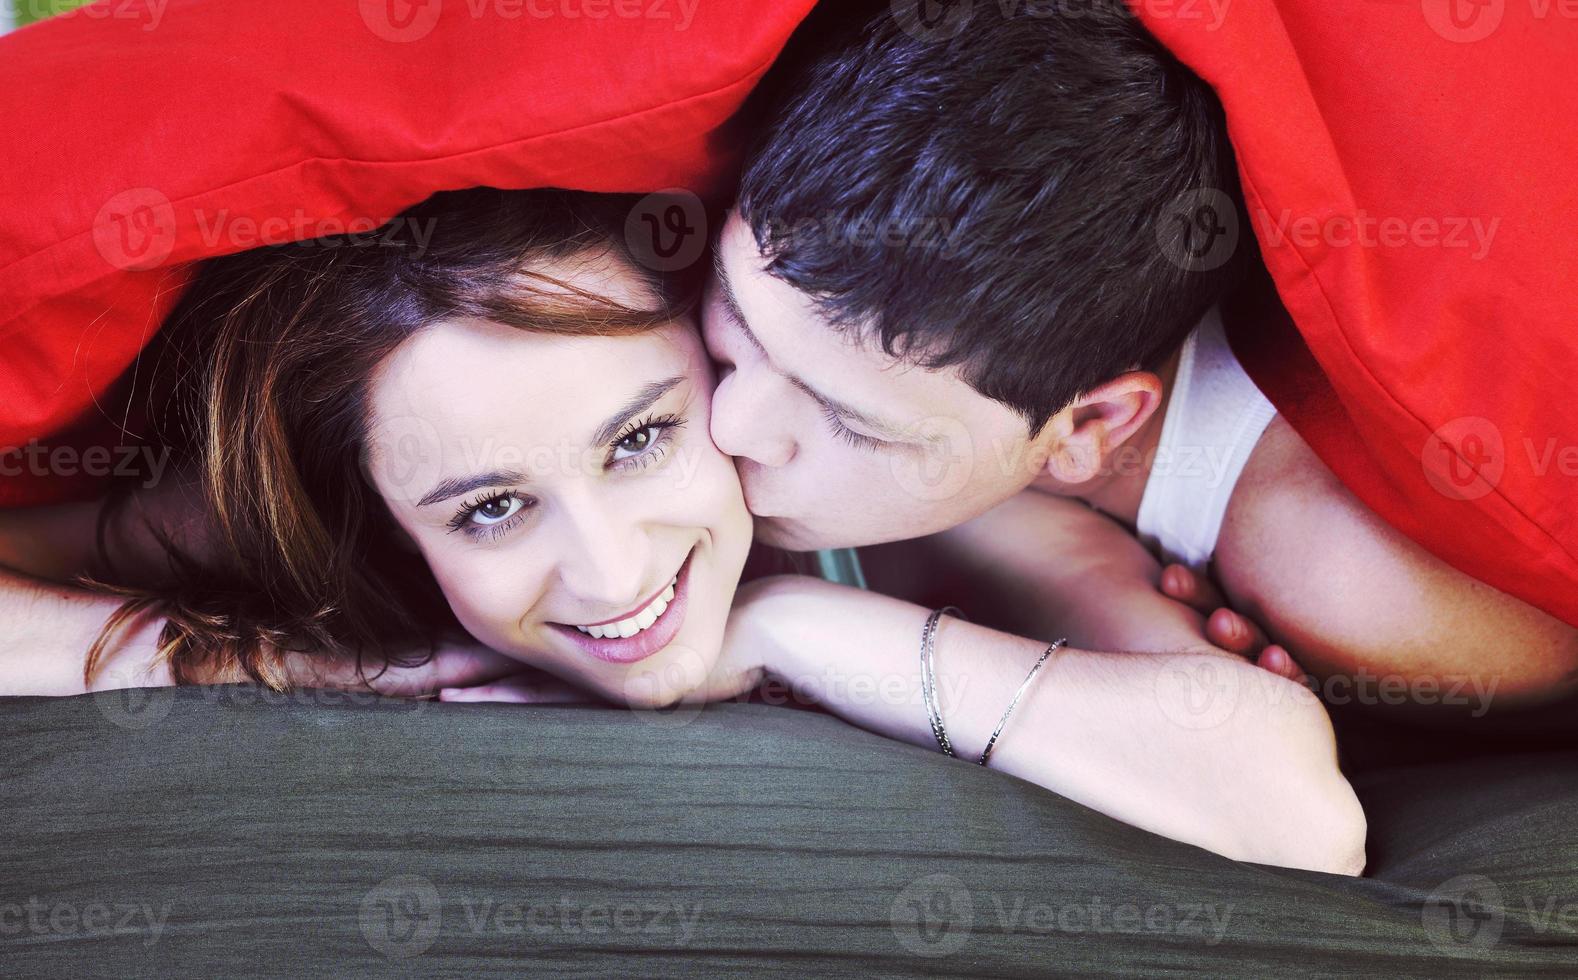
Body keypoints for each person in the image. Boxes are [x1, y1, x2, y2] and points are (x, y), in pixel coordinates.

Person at [0, 187, 1362, 874]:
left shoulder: (901, 518)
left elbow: (1291, 810)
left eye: (643, 439)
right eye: (487, 509)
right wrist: (285, 669)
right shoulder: (325, 524)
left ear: (721, 370)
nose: (612, 569)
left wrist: (793, 624)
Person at [701, 0, 1578, 725]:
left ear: (1087, 429)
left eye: (847, 421)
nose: (728, 422)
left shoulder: (1343, 573)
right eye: (735, 317)